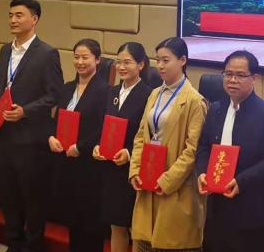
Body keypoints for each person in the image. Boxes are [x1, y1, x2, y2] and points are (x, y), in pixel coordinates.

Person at [0, 0, 63, 252]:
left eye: (19, 15)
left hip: (30, 139)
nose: (13, 20)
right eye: (10, 15)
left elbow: (54, 94)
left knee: (32, 197)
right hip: (3, 135)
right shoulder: (5, 50)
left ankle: (32, 246)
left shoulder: (47, 53)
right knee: (8, 195)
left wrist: (25, 112)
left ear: (34, 19)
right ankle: (14, 244)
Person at [195, 50, 264, 252]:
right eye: (228, 74)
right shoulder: (215, 109)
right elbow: (203, 147)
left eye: (240, 75)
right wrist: (202, 172)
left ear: (254, 78)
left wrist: (241, 181)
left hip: (251, 210)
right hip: (217, 208)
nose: (232, 80)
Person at [129, 37, 208, 252]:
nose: (160, 66)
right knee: (143, 242)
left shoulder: (194, 101)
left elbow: (192, 150)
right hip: (147, 180)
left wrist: (167, 180)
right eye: (158, 60)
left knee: (171, 243)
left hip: (175, 187)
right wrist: (135, 169)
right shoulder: (155, 94)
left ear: (182, 60)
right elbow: (140, 136)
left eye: (166, 60)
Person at [48, 39, 110, 252]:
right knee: (72, 218)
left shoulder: (105, 91)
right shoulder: (67, 88)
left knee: (90, 220)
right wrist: (51, 137)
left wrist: (81, 147)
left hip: (88, 164)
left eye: (85, 57)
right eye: (76, 57)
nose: (80, 62)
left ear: (98, 60)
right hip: (65, 161)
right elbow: (55, 120)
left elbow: (102, 128)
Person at [93, 42, 154, 252]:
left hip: (133, 169)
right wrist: (97, 146)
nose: (121, 67)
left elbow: (149, 135)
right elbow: (102, 127)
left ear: (141, 65)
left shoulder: (149, 95)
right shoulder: (111, 92)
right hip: (110, 168)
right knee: (116, 225)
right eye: (118, 62)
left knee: (135, 228)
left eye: (127, 62)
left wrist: (129, 152)